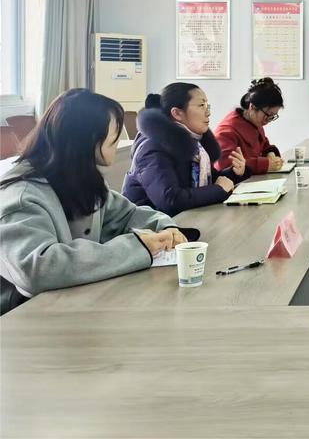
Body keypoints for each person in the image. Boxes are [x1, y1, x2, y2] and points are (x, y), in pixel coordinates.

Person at [0, 89, 186, 314]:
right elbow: (38, 269)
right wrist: (136, 247)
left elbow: (127, 214)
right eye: (114, 131)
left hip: (74, 303)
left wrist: (165, 227)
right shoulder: (22, 195)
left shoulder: (81, 180)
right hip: (24, 314)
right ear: (86, 138)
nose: (118, 137)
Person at [122, 83, 250, 216]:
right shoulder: (152, 148)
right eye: (201, 105)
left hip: (180, 220)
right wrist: (219, 190)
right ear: (177, 113)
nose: (208, 112)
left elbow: (208, 181)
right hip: (148, 226)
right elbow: (170, 200)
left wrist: (235, 173)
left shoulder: (193, 142)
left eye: (207, 105)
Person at [215, 77, 284, 174]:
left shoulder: (254, 121)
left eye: (273, 116)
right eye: (268, 114)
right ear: (252, 107)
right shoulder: (227, 131)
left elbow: (263, 143)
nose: (269, 120)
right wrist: (266, 164)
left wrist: (270, 153)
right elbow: (226, 164)